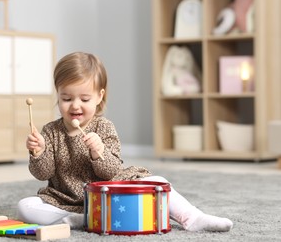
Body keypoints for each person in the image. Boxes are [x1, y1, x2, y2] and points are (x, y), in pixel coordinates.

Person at [17, 52, 233, 232]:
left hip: (109, 194)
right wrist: (39, 152)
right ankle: (81, 219)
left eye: (84, 99)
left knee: (157, 180)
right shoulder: (50, 131)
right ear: (58, 95)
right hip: (66, 200)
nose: (75, 106)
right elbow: (42, 174)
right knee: (25, 207)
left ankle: (192, 217)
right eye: (66, 99)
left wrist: (98, 152)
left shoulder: (104, 127)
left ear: (99, 96)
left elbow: (110, 172)